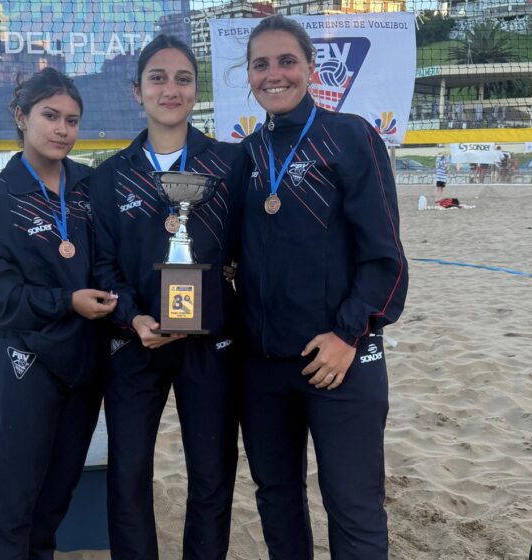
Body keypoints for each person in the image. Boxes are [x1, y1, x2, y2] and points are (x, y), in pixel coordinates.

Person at [237, 15, 408, 559]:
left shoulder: (351, 136)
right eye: (261, 64)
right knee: (277, 497)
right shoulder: (244, 156)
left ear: (311, 69)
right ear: (248, 76)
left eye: (287, 61)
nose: (274, 74)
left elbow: (386, 260)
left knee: (353, 506)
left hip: (340, 357)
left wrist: (347, 334)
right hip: (263, 366)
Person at [89, 34, 247, 560]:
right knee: (130, 472)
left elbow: (249, 251)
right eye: (158, 78)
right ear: (137, 91)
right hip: (136, 343)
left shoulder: (229, 165)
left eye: (183, 79)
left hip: (212, 343)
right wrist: (134, 318)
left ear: (196, 91)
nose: (170, 89)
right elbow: (104, 263)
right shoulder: (110, 176)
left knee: (211, 473)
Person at [0, 67, 117, 560]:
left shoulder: (92, 187)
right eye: (50, 116)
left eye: (72, 120)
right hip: (23, 362)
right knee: (14, 505)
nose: (62, 130)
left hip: (83, 364)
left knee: (54, 501)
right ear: (20, 117)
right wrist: (63, 302)